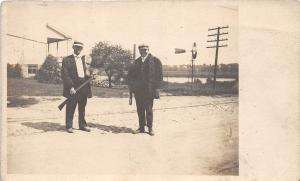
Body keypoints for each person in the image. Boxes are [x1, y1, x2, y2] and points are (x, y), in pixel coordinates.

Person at [128, 44, 163, 136]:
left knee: (149, 109)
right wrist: (132, 86)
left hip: (149, 90)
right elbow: (131, 76)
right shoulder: (136, 62)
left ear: (148, 50)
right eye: (141, 50)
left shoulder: (155, 61)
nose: (143, 52)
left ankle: (150, 128)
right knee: (140, 109)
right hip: (138, 90)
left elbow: (159, 76)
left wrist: (157, 89)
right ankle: (141, 127)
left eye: (145, 50)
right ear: (139, 51)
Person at [61, 41, 92, 133]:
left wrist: (92, 75)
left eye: (80, 48)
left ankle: (82, 125)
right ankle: (69, 126)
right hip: (73, 87)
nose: (79, 49)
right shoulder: (67, 59)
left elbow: (88, 73)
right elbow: (65, 75)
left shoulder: (85, 59)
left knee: (82, 107)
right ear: (73, 47)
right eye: (77, 47)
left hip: (84, 86)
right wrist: (70, 87)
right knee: (71, 107)